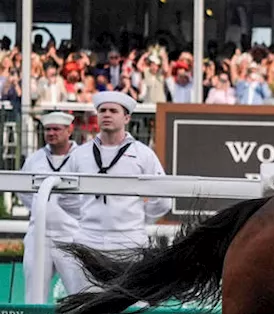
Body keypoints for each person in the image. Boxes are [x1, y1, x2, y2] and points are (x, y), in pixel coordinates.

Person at [58, 91, 172, 294]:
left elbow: (163, 200)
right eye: (102, 110)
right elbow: (65, 197)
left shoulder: (142, 153)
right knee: (83, 304)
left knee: (129, 305)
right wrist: (88, 215)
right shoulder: (80, 154)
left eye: (113, 110)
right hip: (88, 240)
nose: (107, 114)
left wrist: (137, 220)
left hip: (129, 242)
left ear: (126, 118)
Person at [17, 111, 86, 301]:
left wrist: (69, 214)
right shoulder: (35, 159)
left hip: (72, 234)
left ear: (69, 130)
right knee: (34, 295)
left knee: (78, 292)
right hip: (38, 233)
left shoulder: (82, 157)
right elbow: (22, 191)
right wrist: (42, 209)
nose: (51, 133)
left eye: (56, 129)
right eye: (48, 129)